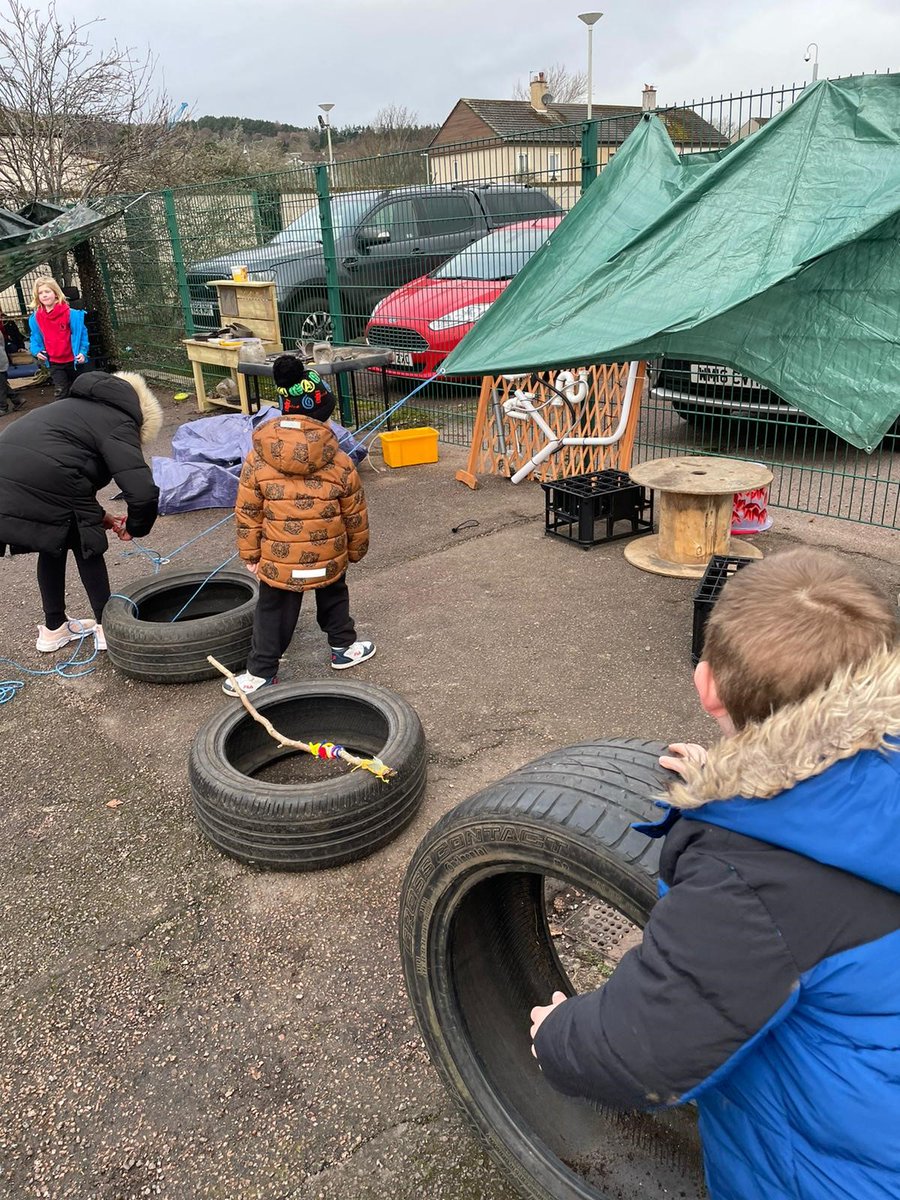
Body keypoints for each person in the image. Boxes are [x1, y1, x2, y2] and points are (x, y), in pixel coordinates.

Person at [529, 547, 900, 1200]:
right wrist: (731, 776)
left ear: (706, 685)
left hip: (839, 1171)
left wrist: (558, 1036)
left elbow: (646, 1046)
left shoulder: (753, 885)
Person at [226, 354, 373, 696]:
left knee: (273, 606)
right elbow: (355, 511)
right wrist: (356, 550)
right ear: (325, 412)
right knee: (334, 591)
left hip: (278, 557)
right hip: (329, 551)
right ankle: (342, 646)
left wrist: (249, 554)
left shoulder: (257, 456)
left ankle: (262, 670)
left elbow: (247, 509)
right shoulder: (339, 459)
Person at [0, 370, 161, 653]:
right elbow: (142, 491)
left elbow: (63, 465)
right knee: (86, 544)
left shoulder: (70, 408)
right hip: (50, 477)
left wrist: (103, 517)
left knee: (55, 542)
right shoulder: (120, 421)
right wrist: (135, 527)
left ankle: (54, 628)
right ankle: (105, 627)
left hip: (7, 472)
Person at [28, 276, 89, 399]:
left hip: (74, 360)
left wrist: (83, 352)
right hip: (55, 362)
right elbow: (35, 337)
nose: (44, 295)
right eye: (40, 293)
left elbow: (82, 334)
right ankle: (62, 417)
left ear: (55, 293)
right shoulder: (36, 318)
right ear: (37, 296)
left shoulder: (71, 314)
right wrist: (36, 350)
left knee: (80, 391)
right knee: (61, 391)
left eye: (47, 291)